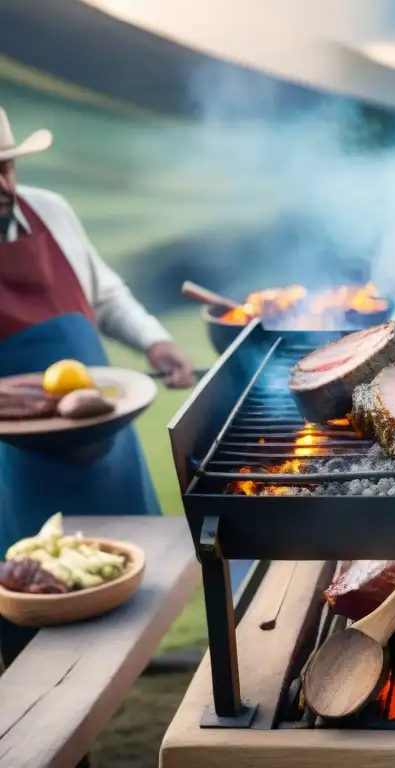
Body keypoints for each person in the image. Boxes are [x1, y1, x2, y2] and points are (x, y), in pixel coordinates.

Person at [0, 108, 197, 659]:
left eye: (6, 169)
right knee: (31, 607)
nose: (1, 186)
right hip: (13, 461)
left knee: (130, 592)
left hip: (105, 437)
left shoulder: (51, 211)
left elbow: (106, 295)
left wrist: (155, 341)